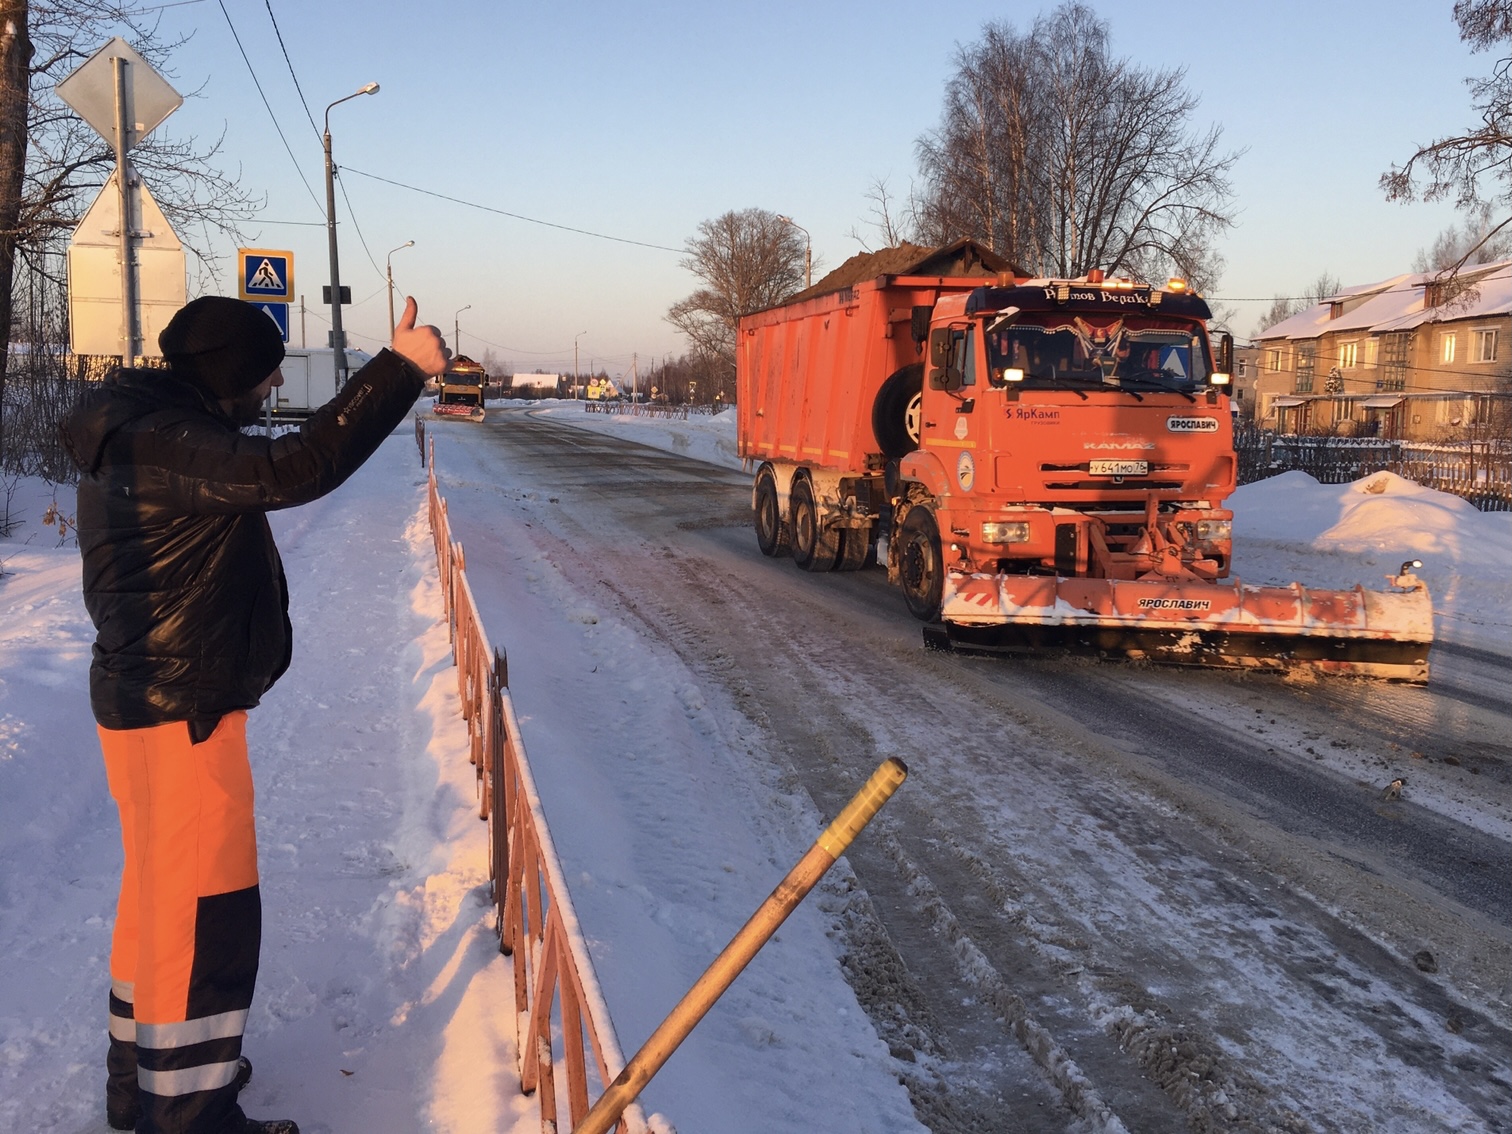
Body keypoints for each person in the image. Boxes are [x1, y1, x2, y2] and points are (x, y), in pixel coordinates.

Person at [60, 295, 450, 1134]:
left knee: (161, 902)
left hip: (149, 706)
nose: (274, 387)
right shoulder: (172, 442)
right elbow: (291, 469)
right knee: (208, 913)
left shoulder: (146, 428)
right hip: (183, 713)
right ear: (231, 373)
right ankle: (191, 1112)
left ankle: (144, 1088)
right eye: (267, 373)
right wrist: (401, 370)